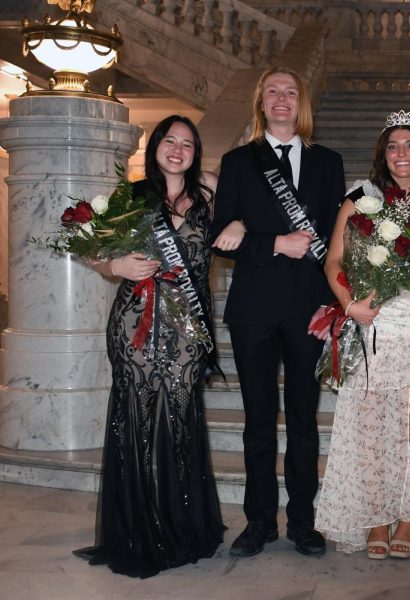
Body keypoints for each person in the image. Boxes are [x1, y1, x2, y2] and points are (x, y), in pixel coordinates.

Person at [74, 115, 225, 578]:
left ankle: (182, 524)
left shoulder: (211, 193)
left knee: (179, 418)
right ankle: (138, 529)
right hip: (133, 321)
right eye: (169, 141)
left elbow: (246, 220)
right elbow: (89, 249)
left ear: (196, 151)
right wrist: (115, 264)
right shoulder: (131, 197)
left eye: (187, 142)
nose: (177, 149)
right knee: (136, 419)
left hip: (186, 329)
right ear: (155, 145)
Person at [210, 66, 345, 558]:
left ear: (301, 103)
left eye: (291, 92)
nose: (282, 99)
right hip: (253, 311)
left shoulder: (328, 161)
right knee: (259, 421)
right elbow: (220, 236)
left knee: (305, 423)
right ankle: (260, 521)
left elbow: (338, 236)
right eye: (273, 92)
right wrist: (274, 243)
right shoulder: (238, 161)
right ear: (261, 103)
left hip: (310, 309)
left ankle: (303, 523)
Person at [313, 110, 410, 561]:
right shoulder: (360, 198)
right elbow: (333, 262)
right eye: (393, 146)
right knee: (373, 428)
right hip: (372, 319)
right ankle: (377, 516)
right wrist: (348, 304)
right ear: (383, 155)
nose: (402, 154)